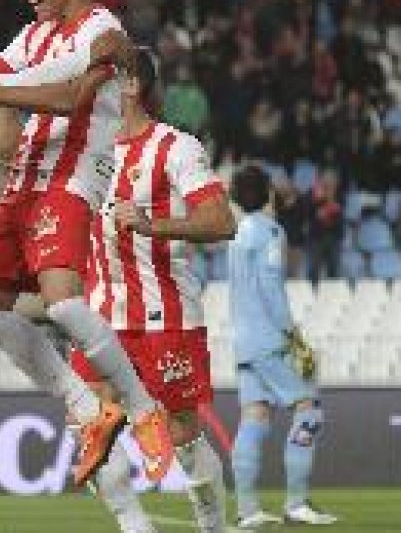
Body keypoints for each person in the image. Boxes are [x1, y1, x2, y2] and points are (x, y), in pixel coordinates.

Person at [0, 0, 175, 486]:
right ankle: (88, 409)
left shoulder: (105, 32)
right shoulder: (35, 35)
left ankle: (142, 409)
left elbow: (67, 98)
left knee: (63, 306)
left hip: (70, 178)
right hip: (22, 182)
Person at [78, 48, 235, 533]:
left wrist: (151, 224)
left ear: (129, 85)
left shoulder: (176, 147)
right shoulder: (83, 152)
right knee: (93, 429)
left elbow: (220, 222)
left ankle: (212, 526)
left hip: (165, 316)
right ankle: (134, 526)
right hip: (100, 316)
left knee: (183, 434)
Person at [227, 166, 337, 528]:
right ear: (269, 194)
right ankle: (297, 503)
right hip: (271, 339)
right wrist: (294, 337)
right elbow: (271, 290)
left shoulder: (237, 234)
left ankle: (247, 510)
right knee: (309, 410)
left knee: (254, 416)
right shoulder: (271, 232)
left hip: (244, 341)